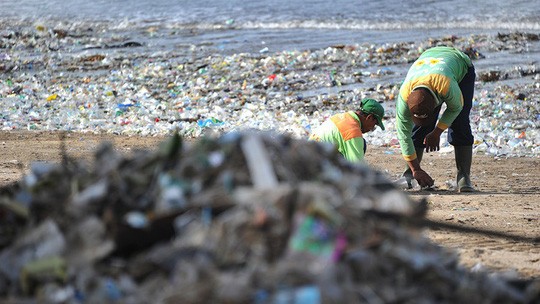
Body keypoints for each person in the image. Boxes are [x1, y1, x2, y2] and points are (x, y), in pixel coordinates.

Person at [396, 46, 476, 192]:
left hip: (459, 65)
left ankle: (463, 176)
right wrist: (416, 169)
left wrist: (437, 132)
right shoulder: (404, 95)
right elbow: (403, 135)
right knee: (419, 129)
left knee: (460, 123)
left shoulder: (445, 85)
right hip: (428, 59)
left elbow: (455, 108)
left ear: (436, 104)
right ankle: (409, 174)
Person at [309, 98, 385, 163]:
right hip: (315, 164)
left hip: (307, 155)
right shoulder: (352, 131)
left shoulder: (342, 116)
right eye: (374, 124)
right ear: (369, 118)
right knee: (362, 145)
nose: (372, 128)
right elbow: (357, 166)